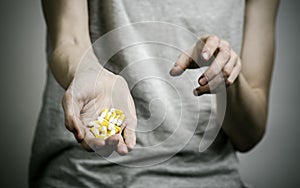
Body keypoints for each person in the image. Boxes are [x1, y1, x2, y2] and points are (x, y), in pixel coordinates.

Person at [29, 0, 279, 187]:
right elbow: (69, 38)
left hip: (208, 177)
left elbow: (250, 134)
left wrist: (226, 78)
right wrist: (87, 72)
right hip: (88, 174)